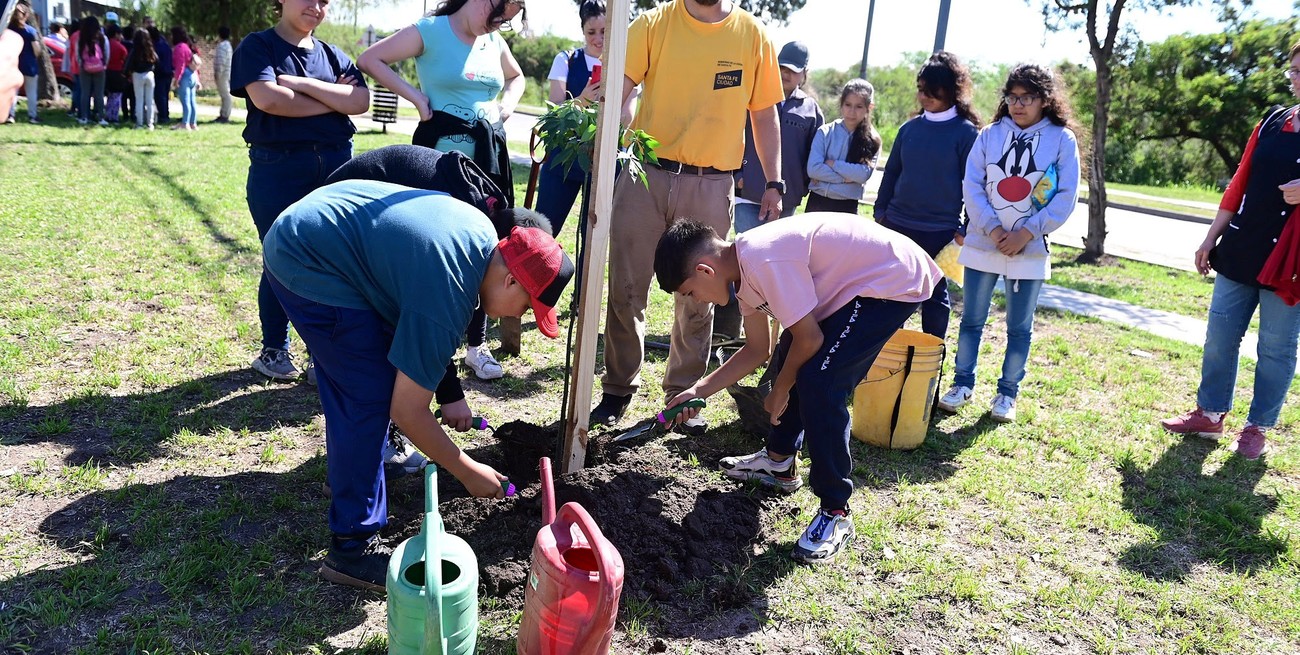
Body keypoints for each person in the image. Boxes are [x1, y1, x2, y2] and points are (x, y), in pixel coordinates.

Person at [263, 178, 575, 590]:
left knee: (372, 377)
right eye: (524, 308)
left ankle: (357, 474)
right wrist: (466, 469)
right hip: (307, 255)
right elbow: (406, 410)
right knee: (368, 394)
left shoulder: (482, 238)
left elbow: (419, 336)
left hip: (325, 224)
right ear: (511, 281)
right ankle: (351, 547)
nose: (512, 319)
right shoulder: (448, 292)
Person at [653, 216, 940, 562]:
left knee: (820, 382)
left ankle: (836, 512)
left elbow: (811, 338)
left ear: (705, 270)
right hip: (854, 284)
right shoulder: (743, 271)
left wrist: (781, 390)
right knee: (791, 354)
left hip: (891, 280)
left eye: (690, 293)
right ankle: (779, 462)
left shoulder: (763, 260)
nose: (698, 300)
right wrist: (698, 390)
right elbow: (758, 349)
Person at [589, 0, 786, 434]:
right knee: (626, 286)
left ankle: (683, 395)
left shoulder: (752, 34)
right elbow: (617, 86)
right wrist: (597, 129)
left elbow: (764, 113)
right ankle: (617, 389)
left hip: (712, 183)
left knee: (701, 295)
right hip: (647, 172)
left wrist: (774, 180)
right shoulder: (654, 23)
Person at [357, 0, 528, 382]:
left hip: (486, 165)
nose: (500, 25)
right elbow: (371, 59)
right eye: (500, 16)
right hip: (437, 165)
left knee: (488, 245)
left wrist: (506, 108)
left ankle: (476, 346)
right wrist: (417, 99)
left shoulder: (494, 40)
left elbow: (516, 77)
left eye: (509, 21)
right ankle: (415, 342)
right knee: (432, 249)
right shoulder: (431, 31)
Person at [1159, 41, 1300, 460]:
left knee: (1276, 348)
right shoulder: (1273, 121)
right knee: (1220, 336)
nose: (1296, 77)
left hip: (1289, 262)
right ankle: (1210, 412)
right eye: (1293, 69)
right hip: (1242, 247)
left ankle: (1257, 427)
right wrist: (1210, 238)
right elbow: (1239, 183)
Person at [231, 0, 370, 383]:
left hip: (338, 164)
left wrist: (300, 85)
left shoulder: (332, 54)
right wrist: (331, 99)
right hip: (279, 166)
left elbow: (360, 101)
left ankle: (322, 354)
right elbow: (270, 99)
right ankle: (274, 350)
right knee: (281, 256)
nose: (316, 6)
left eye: (325, 1)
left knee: (333, 261)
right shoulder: (257, 46)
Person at [936, 63, 1081, 423]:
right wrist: (993, 228)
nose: (1018, 104)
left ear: (1045, 100)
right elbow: (972, 184)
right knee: (971, 320)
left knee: (1019, 327)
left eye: (1027, 97)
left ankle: (1007, 394)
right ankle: (962, 384)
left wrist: (1026, 232)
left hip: (1029, 250)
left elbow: (1065, 195)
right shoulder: (989, 134)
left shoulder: (1062, 140)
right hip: (985, 243)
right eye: (1012, 97)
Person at [714, 40, 824, 341]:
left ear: (804, 74)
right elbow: (734, 132)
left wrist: (798, 187)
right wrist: (736, 171)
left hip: (785, 202)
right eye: (782, 67)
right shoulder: (757, 95)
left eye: (793, 70)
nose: (785, 74)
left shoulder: (812, 110)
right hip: (748, 192)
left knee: (773, 267)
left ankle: (764, 339)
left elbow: (814, 155)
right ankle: (727, 333)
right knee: (743, 261)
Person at [874, 51, 981, 339]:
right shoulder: (908, 129)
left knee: (934, 297)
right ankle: (885, 361)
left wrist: (965, 229)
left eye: (932, 90)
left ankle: (931, 363)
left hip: (940, 230)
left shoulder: (966, 133)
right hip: (897, 225)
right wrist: (880, 212)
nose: (925, 97)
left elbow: (975, 185)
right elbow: (892, 173)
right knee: (892, 296)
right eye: (921, 90)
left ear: (952, 89)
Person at [533, 0, 609, 235]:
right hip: (561, 159)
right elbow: (554, 111)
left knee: (593, 239)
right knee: (543, 230)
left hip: (602, 162)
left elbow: (627, 116)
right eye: (591, 32)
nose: (598, 38)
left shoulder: (624, 64)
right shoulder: (566, 60)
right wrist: (582, 100)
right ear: (582, 31)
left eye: (605, 31)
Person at [805, 78, 879, 214]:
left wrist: (832, 164)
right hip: (817, 202)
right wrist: (846, 179)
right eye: (848, 105)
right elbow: (814, 169)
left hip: (847, 207)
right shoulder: (825, 132)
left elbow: (863, 175)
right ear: (841, 104)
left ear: (869, 107)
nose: (852, 111)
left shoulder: (872, 139)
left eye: (859, 106)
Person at [5, 0, 37, 124]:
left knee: (13, 92)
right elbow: (36, 51)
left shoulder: (8, 30)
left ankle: (10, 115)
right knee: (31, 93)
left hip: (13, 65)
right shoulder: (30, 31)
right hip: (29, 65)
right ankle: (32, 116)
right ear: (26, 15)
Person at [76, 15, 107, 126]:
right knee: (99, 94)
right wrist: (103, 65)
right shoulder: (102, 38)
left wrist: (82, 64)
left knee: (85, 93)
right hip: (100, 68)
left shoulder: (81, 38)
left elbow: (77, 55)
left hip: (85, 68)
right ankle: (101, 118)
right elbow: (106, 53)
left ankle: (84, 117)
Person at [169, 26, 198, 131]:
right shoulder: (187, 47)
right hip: (192, 75)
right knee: (192, 101)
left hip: (184, 76)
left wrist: (177, 79)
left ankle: (185, 123)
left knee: (185, 101)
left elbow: (180, 65)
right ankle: (193, 123)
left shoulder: (179, 48)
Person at [127, 27, 156, 129]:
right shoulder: (150, 49)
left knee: (139, 100)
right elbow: (156, 60)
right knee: (149, 100)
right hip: (149, 74)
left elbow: (128, 64)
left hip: (138, 75)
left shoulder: (135, 50)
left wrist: (128, 73)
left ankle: (139, 123)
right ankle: (150, 124)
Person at [103, 23, 128, 124]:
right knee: (117, 96)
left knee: (110, 96)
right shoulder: (120, 47)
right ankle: (114, 117)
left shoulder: (106, 44)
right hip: (118, 73)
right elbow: (125, 58)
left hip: (107, 72)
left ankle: (108, 114)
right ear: (116, 34)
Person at [149, 25, 171, 124]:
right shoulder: (165, 44)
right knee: (165, 95)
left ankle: (163, 116)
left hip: (160, 73)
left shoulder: (155, 47)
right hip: (168, 72)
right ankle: (165, 114)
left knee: (160, 95)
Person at [214, 26, 233, 123]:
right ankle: (223, 113)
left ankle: (225, 115)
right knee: (225, 95)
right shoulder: (228, 45)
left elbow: (221, 61)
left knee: (225, 95)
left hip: (223, 73)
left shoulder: (222, 46)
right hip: (226, 72)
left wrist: (217, 73)